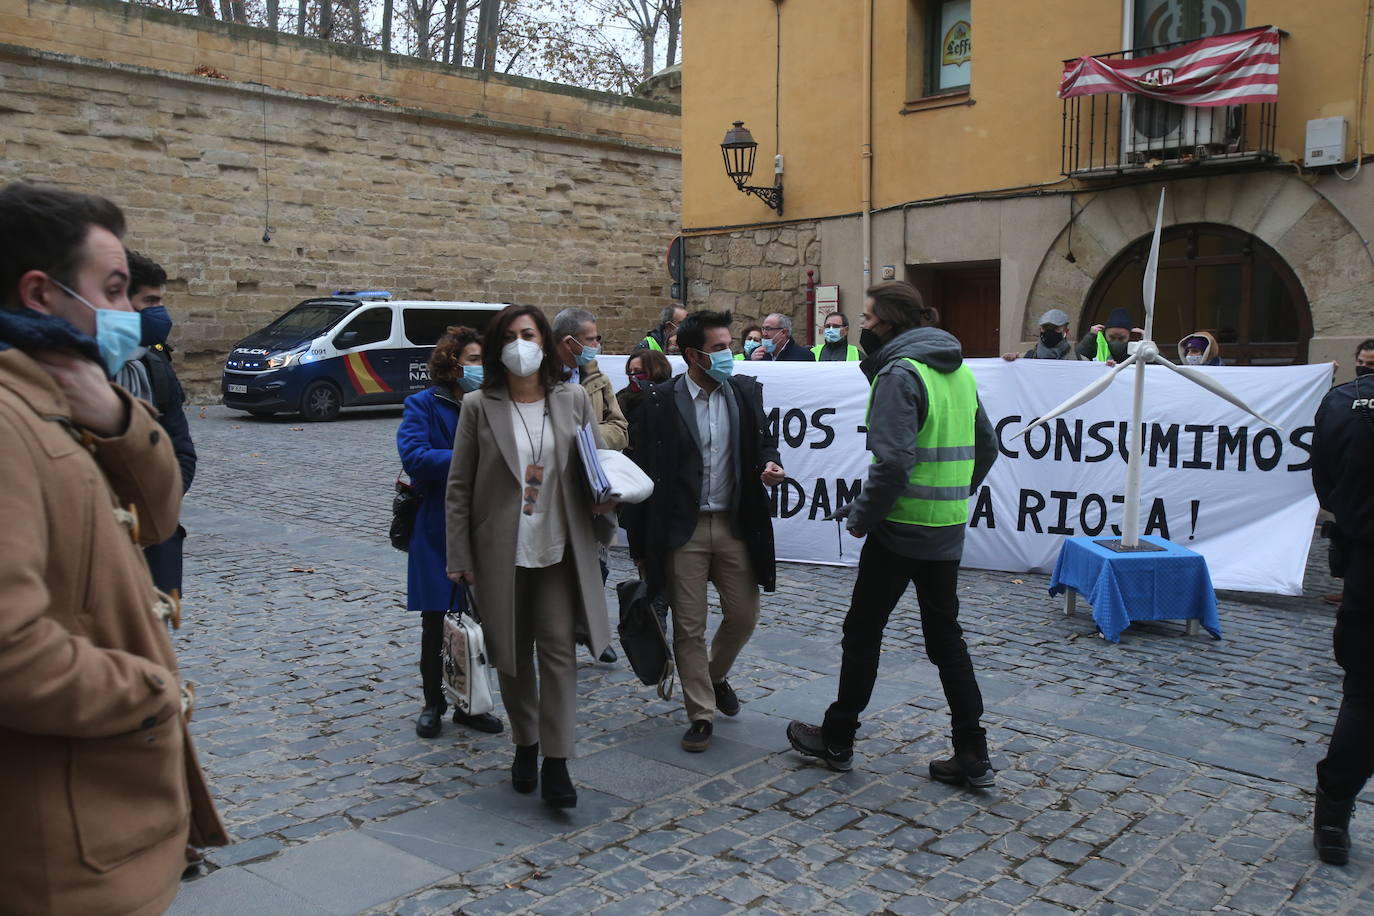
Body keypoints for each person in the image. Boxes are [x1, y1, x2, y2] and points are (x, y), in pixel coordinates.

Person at [0, 182, 226, 913]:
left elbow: (157, 516)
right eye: (117, 289)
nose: (134, 314)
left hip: (101, 836)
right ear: (41, 292)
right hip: (64, 857)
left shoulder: (65, 399)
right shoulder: (8, 422)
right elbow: (12, 651)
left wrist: (118, 418)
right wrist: (154, 692)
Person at [786, 280, 999, 787]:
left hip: (899, 531)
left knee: (862, 634)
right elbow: (987, 446)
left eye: (865, 318)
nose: (861, 328)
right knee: (947, 641)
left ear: (888, 324)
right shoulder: (957, 370)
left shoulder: (899, 373)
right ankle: (973, 752)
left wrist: (862, 516)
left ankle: (838, 738)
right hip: (945, 531)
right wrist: (953, 495)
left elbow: (894, 462)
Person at [445, 305, 616, 808]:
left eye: (530, 333)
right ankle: (526, 741)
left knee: (560, 653)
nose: (521, 343)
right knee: (513, 656)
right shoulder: (479, 405)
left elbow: (591, 465)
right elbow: (459, 487)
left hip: (559, 547)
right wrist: (460, 553)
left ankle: (558, 761)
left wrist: (604, 503)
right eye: (512, 336)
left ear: (545, 342)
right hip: (502, 552)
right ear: (499, 347)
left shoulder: (573, 399)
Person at [624, 310, 785, 753]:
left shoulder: (745, 392)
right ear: (693, 355)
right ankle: (700, 713)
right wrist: (639, 544)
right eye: (719, 348)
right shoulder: (658, 401)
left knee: (743, 616)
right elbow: (641, 474)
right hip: (682, 530)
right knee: (689, 627)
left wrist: (768, 464)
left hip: (734, 523)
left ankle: (713, 677)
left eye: (730, 345)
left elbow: (763, 441)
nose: (729, 354)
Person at [397, 326, 503, 738]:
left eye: (485, 361)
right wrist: (470, 457)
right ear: (453, 363)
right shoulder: (423, 403)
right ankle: (433, 702)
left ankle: (471, 704)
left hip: (487, 524)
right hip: (437, 525)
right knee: (435, 620)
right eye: (475, 360)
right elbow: (415, 456)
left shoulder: (495, 404)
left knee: (482, 620)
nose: (481, 368)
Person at [1310, 337, 1374, 865]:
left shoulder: (1343, 403)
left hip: (1366, 565)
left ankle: (1335, 809)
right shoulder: (1344, 403)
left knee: (1365, 696)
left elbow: (1325, 484)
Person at [551, 306, 627, 663]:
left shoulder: (597, 379)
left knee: (598, 562)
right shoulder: (539, 381)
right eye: (592, 339)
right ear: (569, 342)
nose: (597, 344)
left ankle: (592, 629)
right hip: (554, 488)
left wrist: (590, 438)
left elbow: (621, 428)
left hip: (594, 486)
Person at [121, 250, 197, 597]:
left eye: (160, 301)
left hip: (151, 542)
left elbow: (181, 453)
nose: (159, 313)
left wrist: (156, 506)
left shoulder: (153, 367)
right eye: (149, 301)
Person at [615, 348, 672, 435]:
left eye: (638, 371)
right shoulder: (622, 397)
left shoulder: (669, 399)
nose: (632, 376)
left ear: (655, 371)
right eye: (630, 371)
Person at [1002, 308, 1081, 361]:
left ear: (1066, 331)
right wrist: (1011, 361)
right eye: (1045, 328)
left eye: (1055, 328)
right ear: (1040, 329)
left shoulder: (1078, 360)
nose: (1049, 332)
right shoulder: (1026, 358)